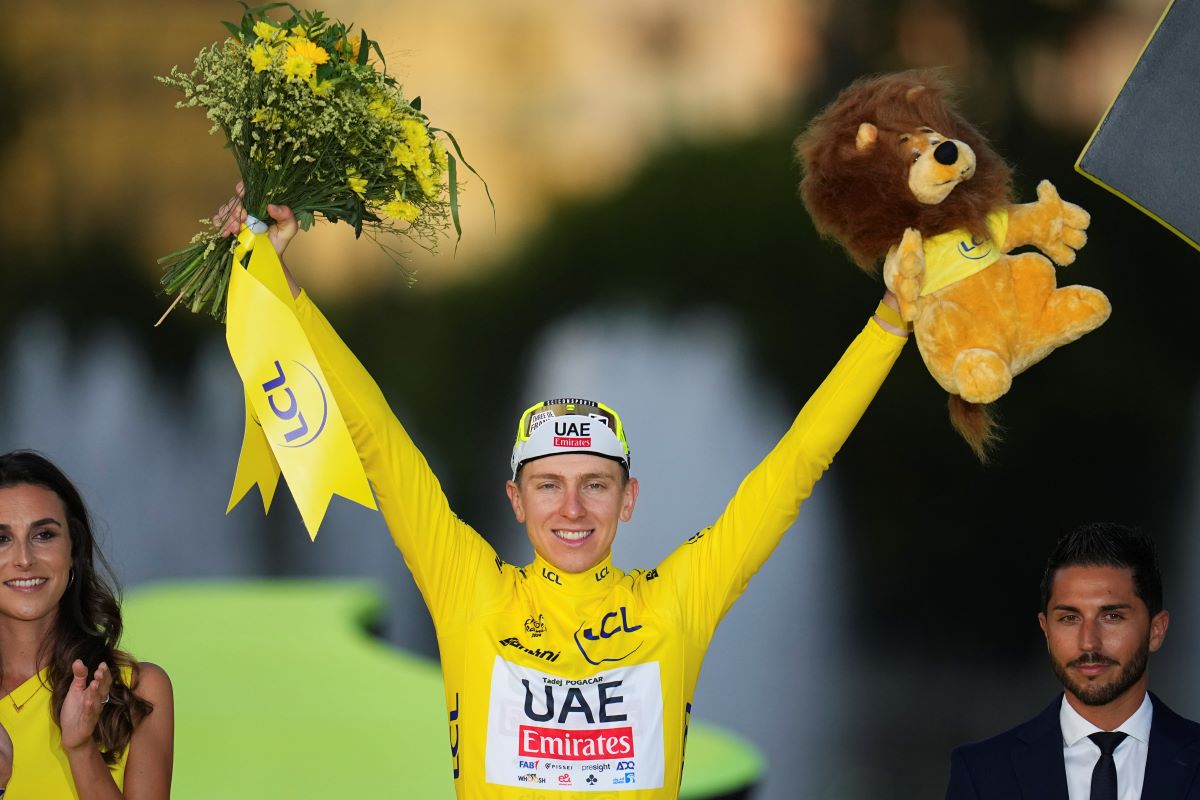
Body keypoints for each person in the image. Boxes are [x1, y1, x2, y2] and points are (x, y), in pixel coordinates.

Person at [220, 192, 908, 798]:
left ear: (628, 499)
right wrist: (284, 289)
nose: (572, 509)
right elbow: (378, 440)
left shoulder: (677, 600)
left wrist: (891, 321)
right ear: (515, 501)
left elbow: (795, 467)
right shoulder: (471, 589)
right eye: (549, 485)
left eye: (595, 486)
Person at [945, 523, 1200, 799]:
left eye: (1111, 616)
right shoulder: (983, 773)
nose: (1088, 642)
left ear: (1156, 630)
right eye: (1069, 618)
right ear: (1046, 630)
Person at [0, 451, 173, 799]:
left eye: (43, 535)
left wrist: (81, 750)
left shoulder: (138, 689)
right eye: (1, 539)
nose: (23, 559)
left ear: (73, 550)